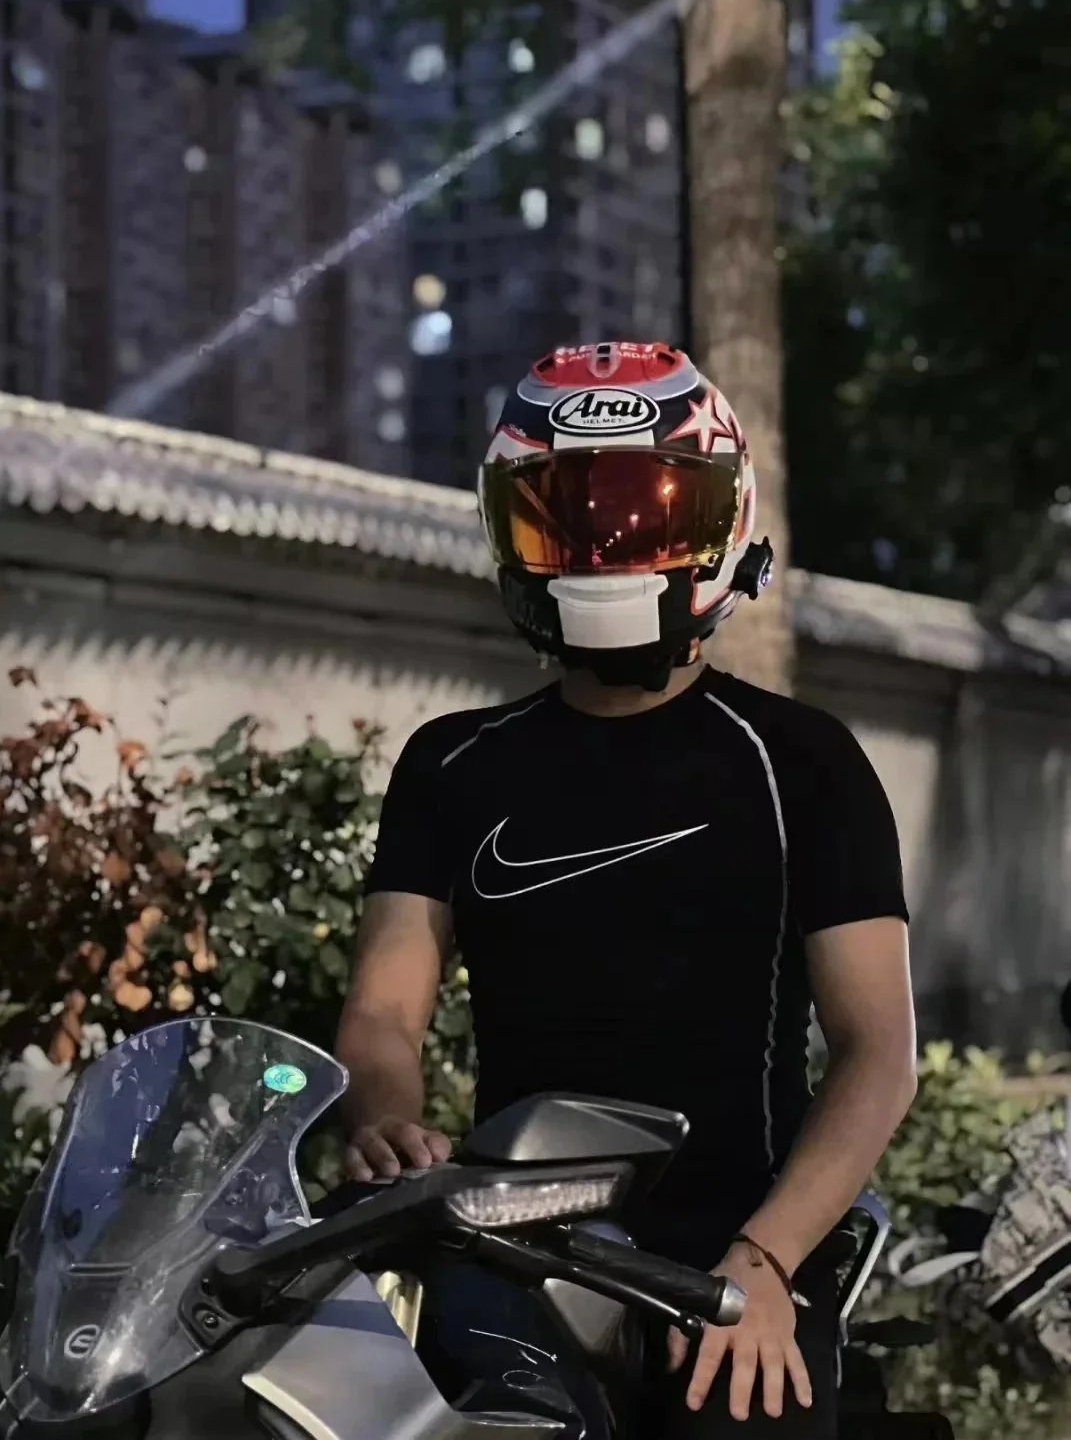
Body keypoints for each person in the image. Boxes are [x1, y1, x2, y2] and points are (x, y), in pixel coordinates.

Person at [335, 341, 918, 1439]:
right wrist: (386, 1119)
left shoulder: (802, 761)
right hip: (510, 1246)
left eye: (647, 514)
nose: (607, 550)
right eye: (568, 517)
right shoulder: (450, 764)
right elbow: (381, 1012)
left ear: (723, 521)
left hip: (742, 1251)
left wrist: (762, 1263)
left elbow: (878, 1051)